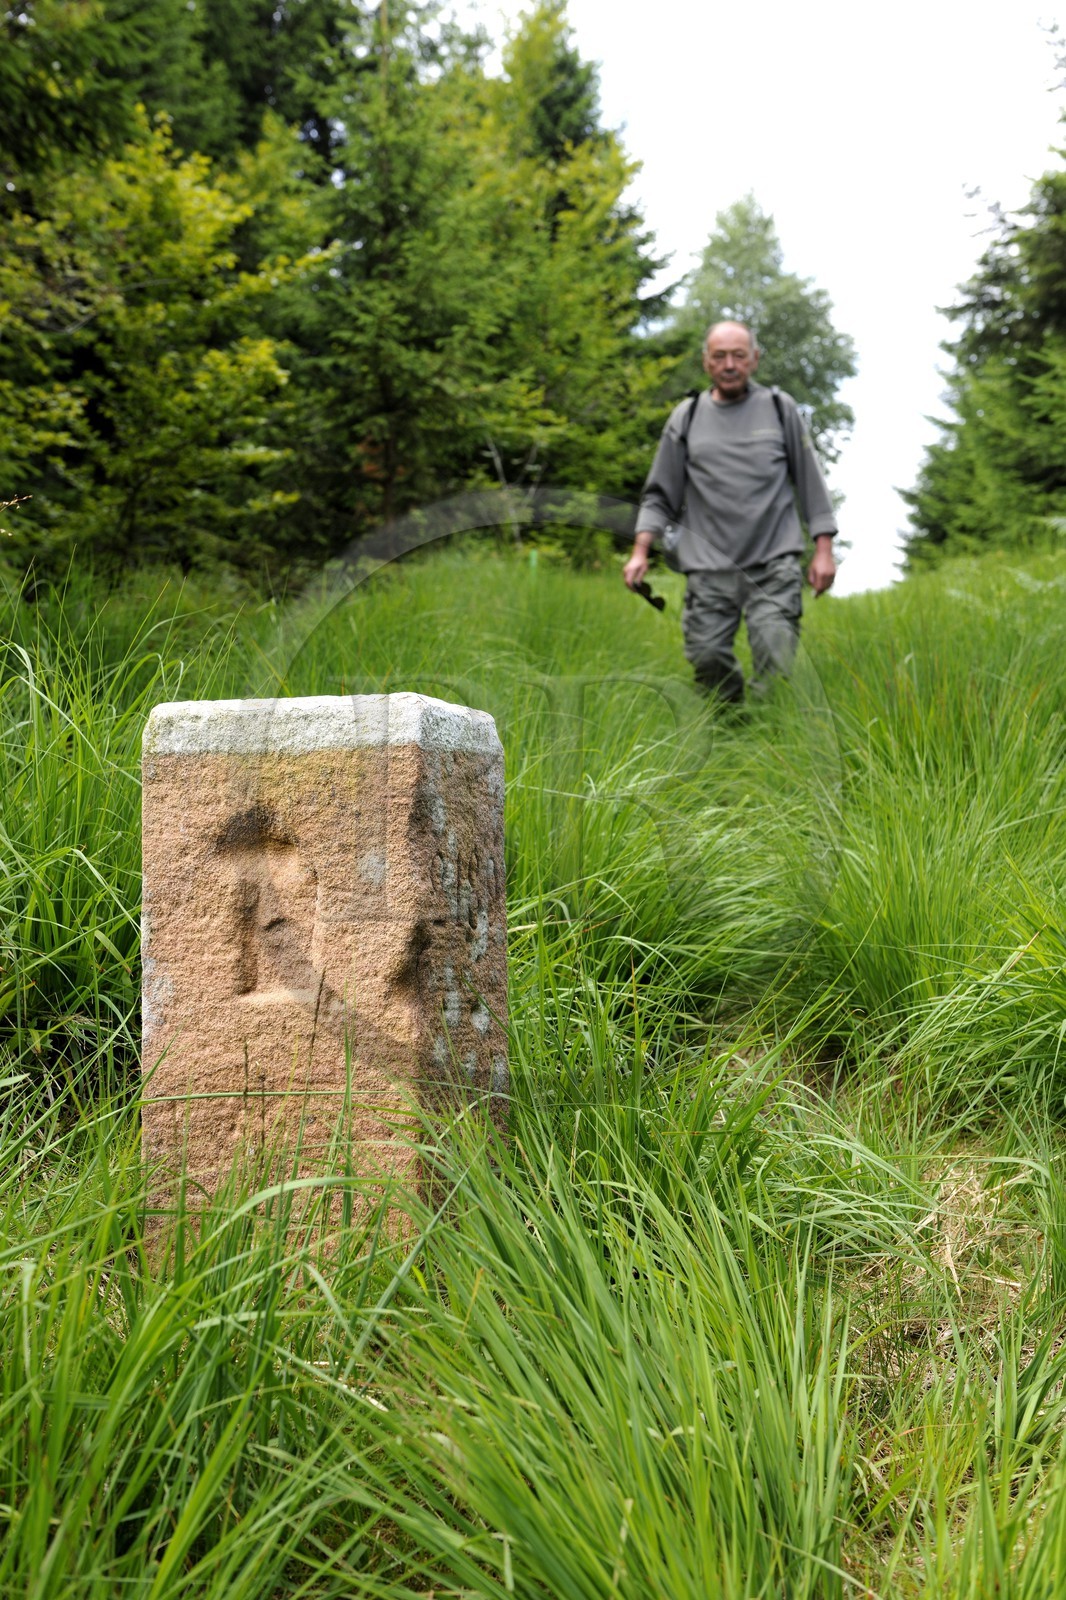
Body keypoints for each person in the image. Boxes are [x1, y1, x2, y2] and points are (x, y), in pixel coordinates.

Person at [623, 320, 838, 701]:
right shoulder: (686, 416)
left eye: (739, 355)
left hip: (773, 563)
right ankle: (730, 723)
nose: (729, 364)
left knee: (777, 658)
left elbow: (810, 481)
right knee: (707, 659)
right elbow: (660, 494)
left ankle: (769, 733)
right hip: (708, 567)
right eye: (719, 356)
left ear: (754, 359)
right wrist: (640, 551)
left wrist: (823, 550)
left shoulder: (778, 407)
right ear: (706, 362)